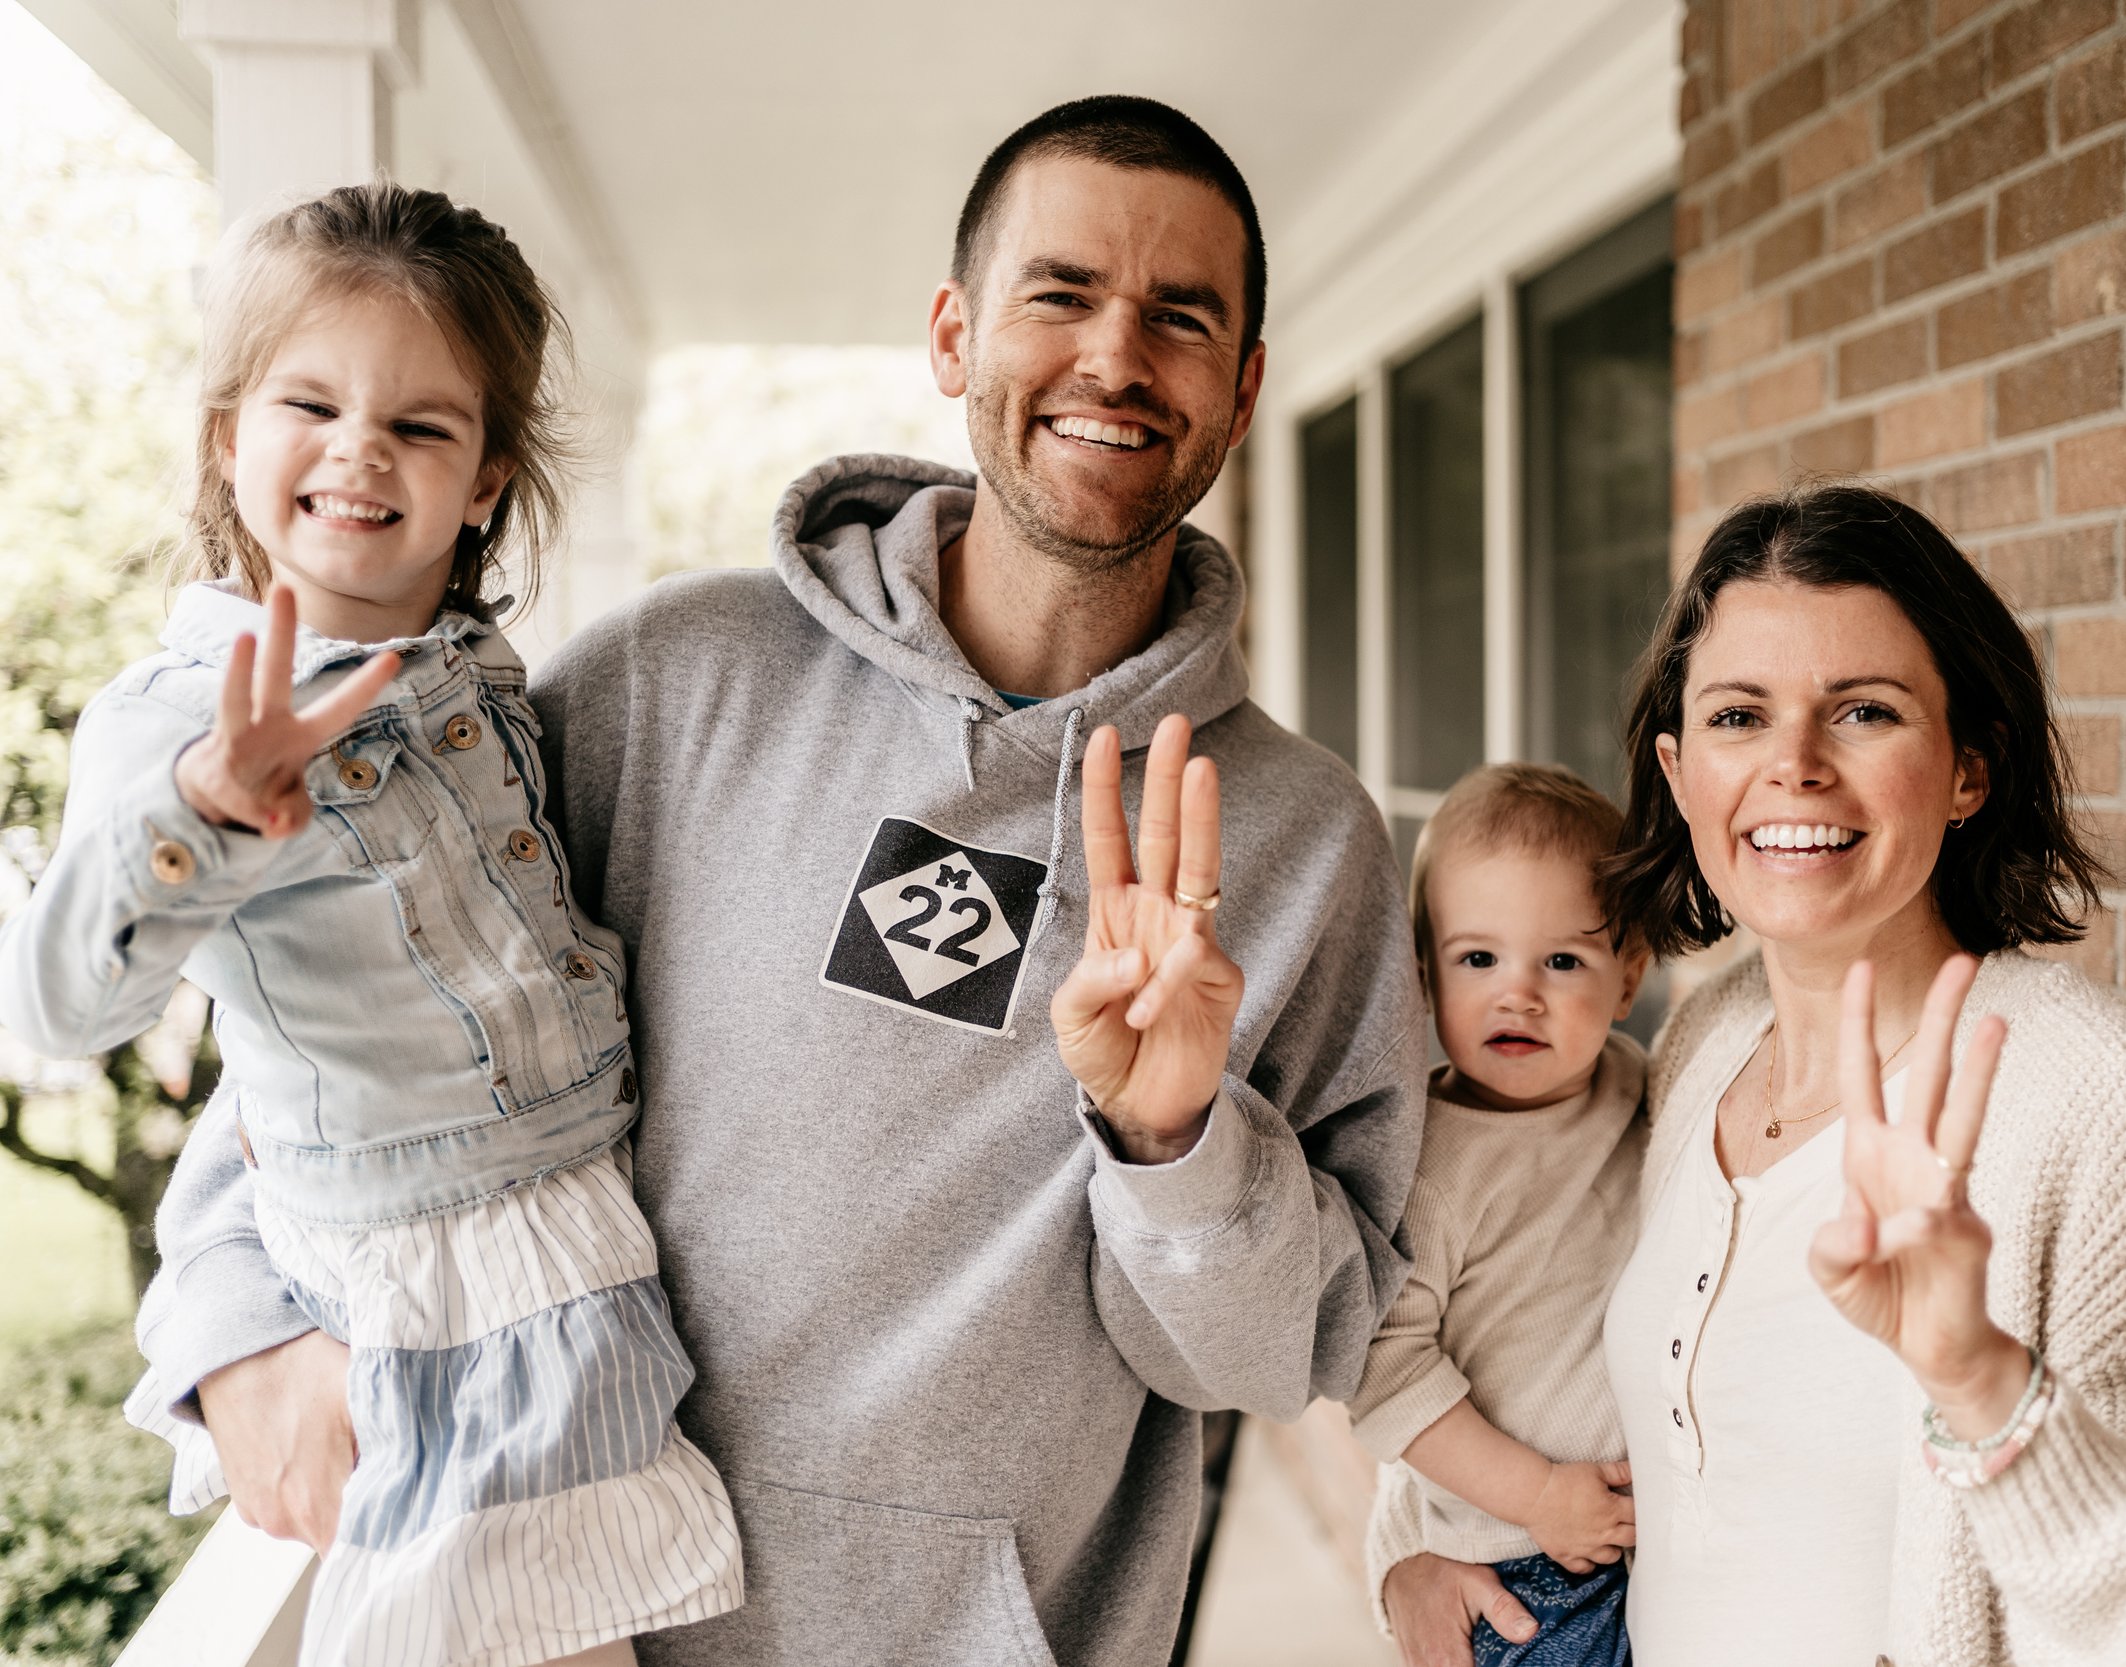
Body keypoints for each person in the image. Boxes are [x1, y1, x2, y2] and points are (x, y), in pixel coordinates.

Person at [133, 97, 1427, 1666]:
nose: (1115, 358)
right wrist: (237, 1317)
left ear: (1242, 391)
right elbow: (349, 1005)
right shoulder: (669, 682)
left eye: (1181, 317)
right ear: (954, 334)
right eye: (1062, 294)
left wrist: (1172, 1143)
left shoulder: (1302, 844)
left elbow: (1274, 1353)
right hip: (566, 1611)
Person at [1376, 484, 2126, 1666]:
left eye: (1862, 710)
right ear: (1680, 769)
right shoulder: (1690, 1057)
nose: (1794, 765)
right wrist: (1409, 1555)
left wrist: (1990, 1390)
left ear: (1968, 769)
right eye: (1740, 715)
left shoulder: (2104, 1119)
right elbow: (1500, 1321)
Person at [0, 183, 743, 1666]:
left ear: (484, 480)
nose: (358, 449)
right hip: (438, 1275)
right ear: (229, 437)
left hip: (576, 1236)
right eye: (310, 402)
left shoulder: (477, 674)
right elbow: (50, 1015)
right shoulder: (182, 715)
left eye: (419, 424)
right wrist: (206, 812)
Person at [1344, 764, 1645, 1667]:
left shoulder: (1641, 1085)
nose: (1519, 992)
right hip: (1517, 1570)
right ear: (1425, 975)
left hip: (1640, 1547)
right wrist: (1541, 1493)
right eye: (1478, 958)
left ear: (1628, 979)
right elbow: (1385, 1373)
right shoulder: (1426, 1163)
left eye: (1562, 960)